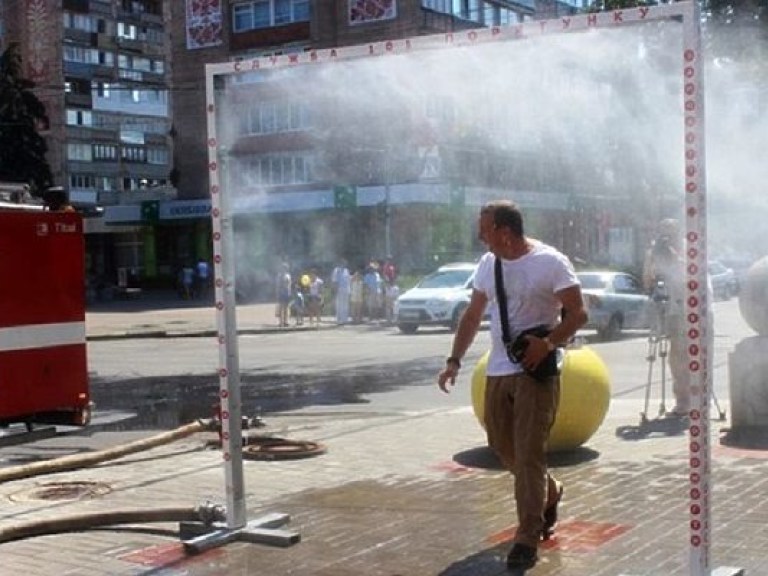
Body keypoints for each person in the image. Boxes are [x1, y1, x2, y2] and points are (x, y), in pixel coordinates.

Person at [437, 200, 587, 571]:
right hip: (500, 370)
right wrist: (454, 360)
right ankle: (549, 492)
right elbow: (473, 315)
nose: (480, 237)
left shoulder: (550, 262)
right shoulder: (489, 264)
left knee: (529, 452)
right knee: (502, 447)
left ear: (505, 232)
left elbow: (579, 312)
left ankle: (527, 535)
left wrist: (549, 342)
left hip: (536, 372)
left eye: (484, 230)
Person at [641, 218, 689, 417]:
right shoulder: (654, 251)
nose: (667, 236)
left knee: (686, 353)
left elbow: (693, 275)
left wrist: (675, 257)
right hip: (667, 307)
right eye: (664, 231)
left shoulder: (688, 248)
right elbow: (647, 281)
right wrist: (652, 260)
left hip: (687, 308)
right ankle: (682, 400)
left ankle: (691, 400)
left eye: (672, 232)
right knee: (675, 355)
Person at [331, 259, 351, 325]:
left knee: (345, 305)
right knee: (339, 305)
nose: (343, 264)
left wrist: (349, 290)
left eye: (344, 263)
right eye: (342, 263)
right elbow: (334, 281)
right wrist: (335, 290)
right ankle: (339, 319)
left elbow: (348, 280)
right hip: (339, 289)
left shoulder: (346, 270)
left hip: (346, 289)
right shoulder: (336, 270)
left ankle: (345, 319)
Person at [275, 262, 292, 328]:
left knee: (286, 308)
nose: (284, 269)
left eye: (285, 268)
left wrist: (289, 293)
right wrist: (277, 293)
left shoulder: (288, 276)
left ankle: (286, 321)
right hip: (281, 292)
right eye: (283, 268)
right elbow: (277, 285)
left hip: (286, 292)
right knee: (281, 308)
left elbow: (289, 285)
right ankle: (280, 322)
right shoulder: (279, 276)